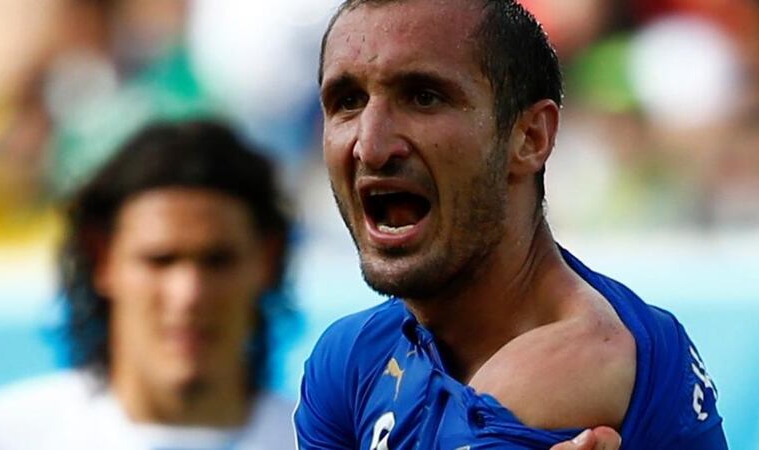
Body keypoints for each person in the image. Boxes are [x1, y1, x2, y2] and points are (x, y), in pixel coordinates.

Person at [293, 0, 727, 449]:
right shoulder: (354, 357)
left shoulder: (578, 365)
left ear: (531, 137)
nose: (370, 146)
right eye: (348, 102)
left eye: (424, 97)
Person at [0, 120, 297, 449]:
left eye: (217, 261)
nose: (188, 294)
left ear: (267, 260)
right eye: (159, 260)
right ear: (101, 258)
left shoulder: (314, 442)